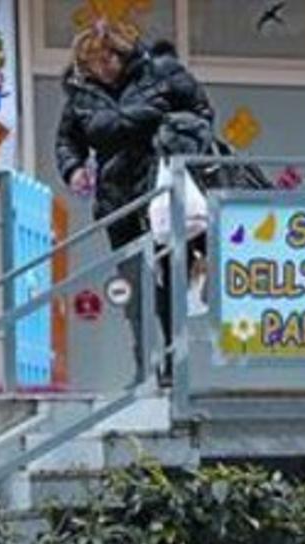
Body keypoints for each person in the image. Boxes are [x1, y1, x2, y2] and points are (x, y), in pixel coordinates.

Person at [55, 23, 214, 385]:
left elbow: (202, 115)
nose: (101, 69)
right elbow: (67, 140)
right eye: (92, 64)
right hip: (118, 198)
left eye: (106, 59)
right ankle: (144, 366)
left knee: (172, 278)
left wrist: (175, 140)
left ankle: (174, 366)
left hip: (165, 191)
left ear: (120, 53)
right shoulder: (81, 93)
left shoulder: (160, 72)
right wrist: (74, 168)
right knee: (135, 286)